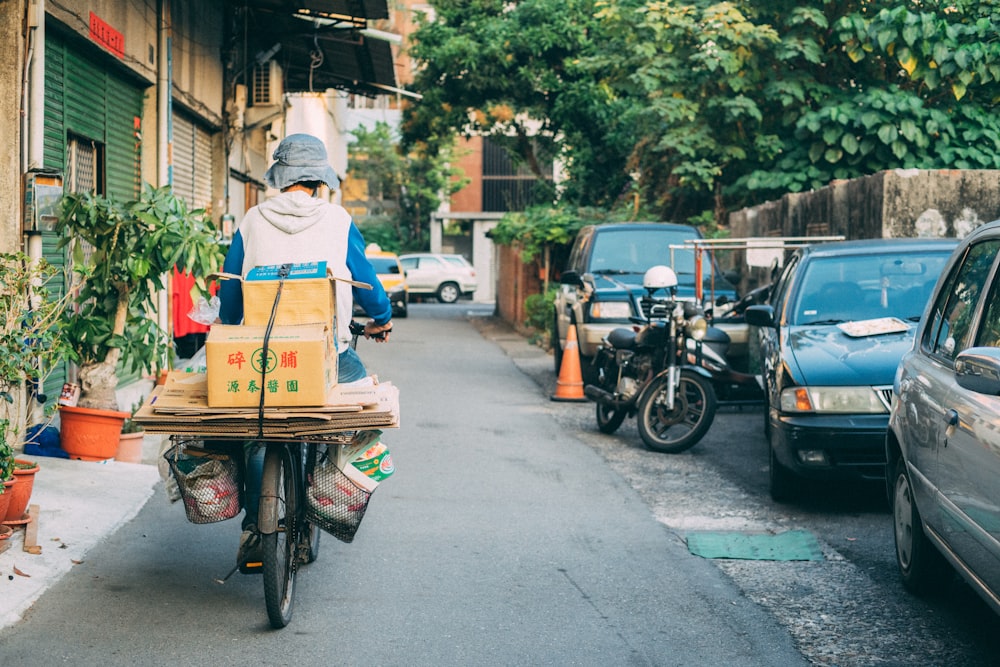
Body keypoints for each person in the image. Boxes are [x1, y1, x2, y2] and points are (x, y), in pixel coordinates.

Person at [217, 132, 393, 567]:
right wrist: (383, 318)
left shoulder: (252, 220)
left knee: (257, 432)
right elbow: (368, 283)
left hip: (263, 355)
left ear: (280, 178)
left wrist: (232, 324)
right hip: (329, 353)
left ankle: (255, 529)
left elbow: (230, 294)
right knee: (358, 416)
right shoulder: (338, 220)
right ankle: (327, 496)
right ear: (319, 181)